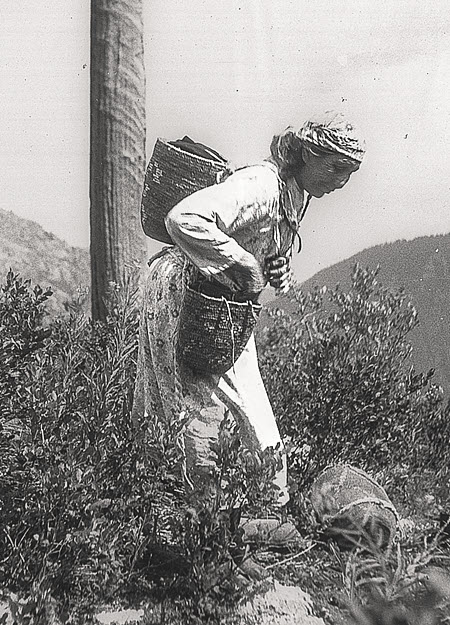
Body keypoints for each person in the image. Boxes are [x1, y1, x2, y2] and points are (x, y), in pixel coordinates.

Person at [132, 111, 365, 521]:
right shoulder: (260, 184)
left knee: (247, 409)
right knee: (184, 408)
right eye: (336, 168)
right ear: (309, 154)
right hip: (184, 296)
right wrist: (241, 261)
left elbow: (263, 247)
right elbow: (182, 218)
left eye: (349, 172)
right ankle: (180, 521)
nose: (341, 181)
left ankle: (265, 511)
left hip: (225, 306)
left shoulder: (295, 194)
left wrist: (276, 267)